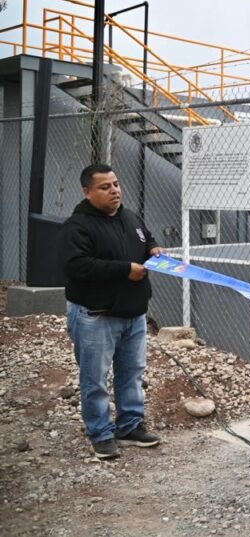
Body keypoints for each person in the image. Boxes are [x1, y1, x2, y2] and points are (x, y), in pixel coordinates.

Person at [59, 164, 163, 460]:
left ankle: (129, 426)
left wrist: (153, 249)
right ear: (87, 192)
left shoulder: (129, 217)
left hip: (134, 315)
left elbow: (146, 238)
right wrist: (123, 270)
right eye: (105, 187)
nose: (114, 190)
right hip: (96, 316)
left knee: (132, 374)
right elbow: (76, 265)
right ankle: (100, 433)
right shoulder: (76, 226)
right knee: (95, 378)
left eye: (116, 184)